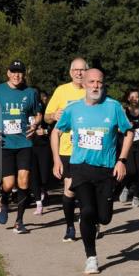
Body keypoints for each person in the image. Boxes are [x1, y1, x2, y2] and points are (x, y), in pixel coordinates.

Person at [51, 68, 133, 274]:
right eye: (92, 82)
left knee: (104, 218)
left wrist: (122, 160)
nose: (96, 86)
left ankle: (93, 221)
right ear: (84, 84)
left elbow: (129, 132)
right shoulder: (73, 109)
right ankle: (91, 257)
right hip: (81, 167)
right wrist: (56, 160)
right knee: (87, 210)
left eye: (100, 82)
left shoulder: (113, 107)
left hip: (105, 170)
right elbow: (56, 132)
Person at [0, 60, 41, 234]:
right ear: (8, 73)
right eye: (13, 71)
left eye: (20, 72)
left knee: (23, 180)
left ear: (24, 74)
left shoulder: (31, 93)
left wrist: (35, 125)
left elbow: (38, 114)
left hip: (24, 142)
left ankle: (19, 221)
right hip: (5, 143)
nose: (17, 75)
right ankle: (3, 200)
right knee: (8, 184)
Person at [45, 58, 88, 242]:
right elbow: (46, 117)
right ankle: (70, 226)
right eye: (76, 70)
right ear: (70, 72)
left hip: (90, 148)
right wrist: (53, 115)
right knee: (70, 189)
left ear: (87, 71)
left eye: (82, 70)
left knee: (88, 188)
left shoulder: (93, 89)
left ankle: (89, 221)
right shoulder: (61, 91)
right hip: (68, 148)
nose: (79, 73)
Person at [119, 88, 139, 207]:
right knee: (131, 170)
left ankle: (136, 197)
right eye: (132, 97)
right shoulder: (124, 111)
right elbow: (118, 127)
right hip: (128, 145)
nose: (135, 99)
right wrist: (127, 127)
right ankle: (126, 187)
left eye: (137, 97)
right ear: (128, 98)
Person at [31, 89, 53, 215]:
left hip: (44, 146)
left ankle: (43, 189)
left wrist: (45, 132)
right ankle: (38, 202)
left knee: (44, 175)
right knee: (34, 175)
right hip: (30, 146)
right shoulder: (27, 111)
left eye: (43, 97)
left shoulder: (47, 113)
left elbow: (55, 129)